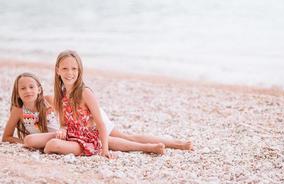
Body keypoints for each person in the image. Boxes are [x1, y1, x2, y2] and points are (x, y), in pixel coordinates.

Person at [44, 50, 192, 158]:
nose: (69, 72)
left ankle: (178, 143)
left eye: (74, 68)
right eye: (65, 68)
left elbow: (100, 123)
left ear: (80, 70)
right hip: (82, 126)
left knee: (127, 138)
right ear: (58, 71)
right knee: (116, 140)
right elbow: (61, 117)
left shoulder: (84, 92)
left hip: (94, 119)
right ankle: (150, 147)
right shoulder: (59, 95)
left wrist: (105, 151)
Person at [2, 72, 59, 149]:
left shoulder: (49, 100)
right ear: (18, 93)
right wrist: (26, 143)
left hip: (60, 137)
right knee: (29, 139)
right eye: (23, 88)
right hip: (41, 142)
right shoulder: (19, 110)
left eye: (31, 87)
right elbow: (6, 137)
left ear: (39, 90)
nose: (28, 91)